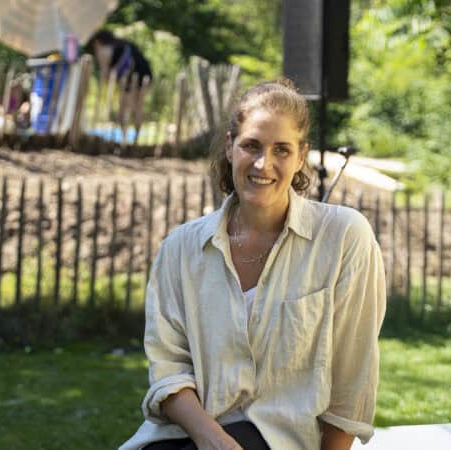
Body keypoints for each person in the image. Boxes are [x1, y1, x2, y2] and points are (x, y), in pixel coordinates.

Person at [120, 79, 386, 450]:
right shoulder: (180, 249)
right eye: (251, 146)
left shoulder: (343, 237)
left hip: (281, 440)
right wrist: (212, 439)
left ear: (300, 157)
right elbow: (168, 368)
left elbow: (351, 378)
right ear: (230, 146)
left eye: (282, 150)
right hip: (187, 435)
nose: (264, 164)